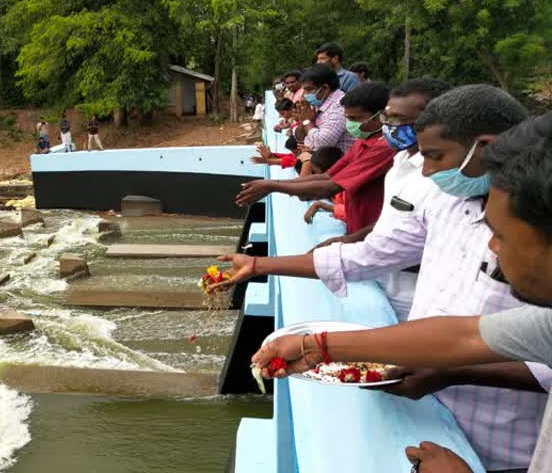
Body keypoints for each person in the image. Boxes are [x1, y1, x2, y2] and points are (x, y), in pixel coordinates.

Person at [218, 86, 548, 472]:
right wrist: (317, 345)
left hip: (503, 443)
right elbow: (464, 334)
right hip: (429, 412)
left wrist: (450, 371)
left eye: (502, 238)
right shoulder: (445, 200)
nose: (492, 245)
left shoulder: (531, 220)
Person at [314, 78, 452, 320]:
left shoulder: (444, 180)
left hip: (418, 285)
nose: (389, 126)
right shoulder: (399, 161)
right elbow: (389, 222)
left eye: (398, 120)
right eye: (388, 118)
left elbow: (387, 247)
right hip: (388, 277)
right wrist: (352, 238)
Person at [237, 82, 394, 234]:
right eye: (348, 118)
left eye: (355, 118)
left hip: (373, 232)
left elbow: (332, 185)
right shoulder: (363, 141)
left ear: (379, 117)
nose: (349, 124)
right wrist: (271, 184)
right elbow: (328, 176)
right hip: (357, 224)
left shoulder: (383, 148)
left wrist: (272, 186)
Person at [290, 64, 353, 152]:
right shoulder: (318, 103)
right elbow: (299, 137)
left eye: (308, 89)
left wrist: (307, 121)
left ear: (324, 88)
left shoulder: (340, 105)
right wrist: (304, 122)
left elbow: (323, 143)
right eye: (303, 90)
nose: (304, 94)